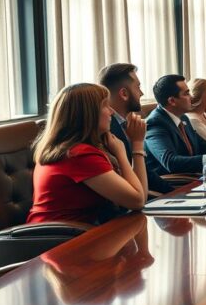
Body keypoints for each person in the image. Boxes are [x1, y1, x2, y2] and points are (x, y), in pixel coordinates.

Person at [28, 83, 148, 224]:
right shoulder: (78, 155)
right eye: (105, 106)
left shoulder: (75, 149)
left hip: (79, 233)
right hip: (58, 240)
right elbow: (137, 200)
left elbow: (140, 197)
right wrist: (134, 146)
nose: (111, 111)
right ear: (87, 114)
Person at [97, 63, 174, 194]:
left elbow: (145, 171)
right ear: (124, 93)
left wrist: (175, 193)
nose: (141, 93)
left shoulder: (127, 123)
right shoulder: (106, 129)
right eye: (138, 87)